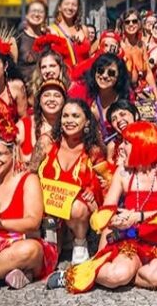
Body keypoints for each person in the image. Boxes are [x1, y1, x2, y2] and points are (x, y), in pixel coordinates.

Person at [50, 122, 157, 293]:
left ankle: (128, 276)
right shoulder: (124, 171)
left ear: (142, 144)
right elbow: (107, 208)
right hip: (131, 242)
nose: (120, 147)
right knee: (117, 275)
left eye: (126, 143)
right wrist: (109, 219)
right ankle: (76, 274)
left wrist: (138, 217)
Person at [0, 116, 56, 289]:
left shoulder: (28, 180)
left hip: (21, 243)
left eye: (1, 154)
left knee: (30, 250)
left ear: (13, 153)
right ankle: (13, 273)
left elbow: (33, 222)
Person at [34, 99, 106, 264]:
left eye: (75, 116)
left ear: (86, 121)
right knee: (48, 260)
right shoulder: (46, 143)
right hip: (47, 212)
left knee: (78, 207)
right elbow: (31, 173)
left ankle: (80, 242)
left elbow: (107, 183)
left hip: (77, 214)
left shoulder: (94, 151)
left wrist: (94, 196)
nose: (69, 121)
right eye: (65, 116)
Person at [72, 53, 131, 139]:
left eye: (111, 73)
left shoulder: (126, 97)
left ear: (119, 76)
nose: (104, 75)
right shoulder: (83, 92)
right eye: (100, 70)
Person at [19, 79, 66, 165]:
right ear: (39, 101)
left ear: (64, 101)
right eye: (46, 95)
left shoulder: (70, 129)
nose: (51, 99)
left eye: (57, 95)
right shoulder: (24, 125)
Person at [48, 0, 91, 68]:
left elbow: (89, 56)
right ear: (59, 7)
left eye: (74, 5)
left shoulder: (83, 29)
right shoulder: (52, 30)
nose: (70, 8)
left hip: (85, 76)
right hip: (65, 77)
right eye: (66, 4)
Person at [17, 0, 50, 81]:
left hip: (44, 88)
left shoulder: (48, 39)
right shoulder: (18, 38)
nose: (37, 14)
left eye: (41, 12)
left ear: (45, 16)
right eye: (33, 11)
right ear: (27, 15)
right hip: (24, 89)